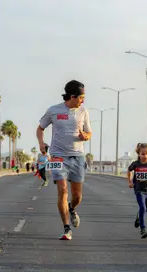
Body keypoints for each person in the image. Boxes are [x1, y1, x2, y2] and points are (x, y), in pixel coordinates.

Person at [36, 80, 92, 240]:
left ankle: (71, 208)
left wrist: (85, 136)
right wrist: (41, 143)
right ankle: (67, 228)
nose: (83, 100)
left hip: (77, 156)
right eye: (81, 97)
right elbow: (40, 128)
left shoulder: (83, 111)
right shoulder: (53, 110)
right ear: (72, 96)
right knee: (62, 191)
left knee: (77, 196)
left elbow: (89, 133)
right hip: (57, 156)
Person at [127, 143, 147, 239]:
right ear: (139, 154)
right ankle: (143, 229)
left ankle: (139, 217)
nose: (145, 156)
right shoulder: (136, 164)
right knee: (142, 207)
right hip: (139, 190)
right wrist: (130, 181)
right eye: (143, 154)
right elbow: (129, 170)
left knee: (145, 209)